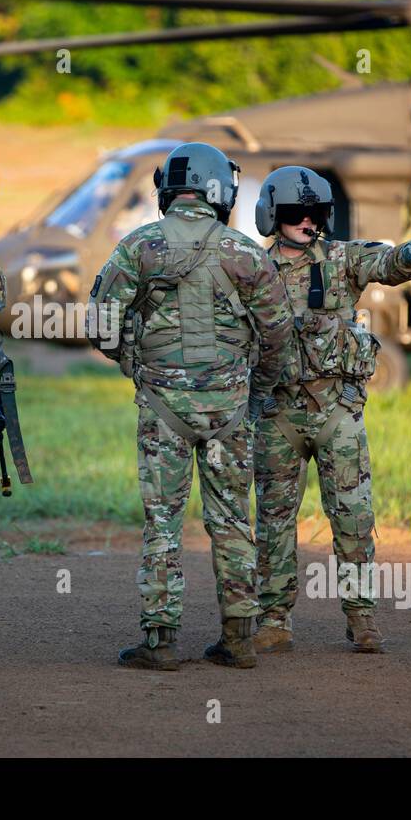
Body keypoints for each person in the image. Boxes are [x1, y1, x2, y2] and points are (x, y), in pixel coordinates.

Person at [88, 142, 290, 670]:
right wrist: (253, 388)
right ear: (220, 189)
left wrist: (135, 361)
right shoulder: (245, 252)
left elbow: (101, 324)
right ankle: (241, 638)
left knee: (163, 522)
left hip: (162, 408)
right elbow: (276, 333)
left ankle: (160, 642)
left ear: (167, 191)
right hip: (229, 412)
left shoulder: (137, 247)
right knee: (232, 520)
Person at [251, 165, 411, 653]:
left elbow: (385, 263)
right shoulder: (251, 268)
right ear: (273, 214)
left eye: (316, 212)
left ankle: (362, 618)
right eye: (295, 212)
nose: (307, 221)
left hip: (338, 411)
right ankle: (274, 620)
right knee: (273, 520)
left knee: (353, 517)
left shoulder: (340, 258)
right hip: (278, 413)